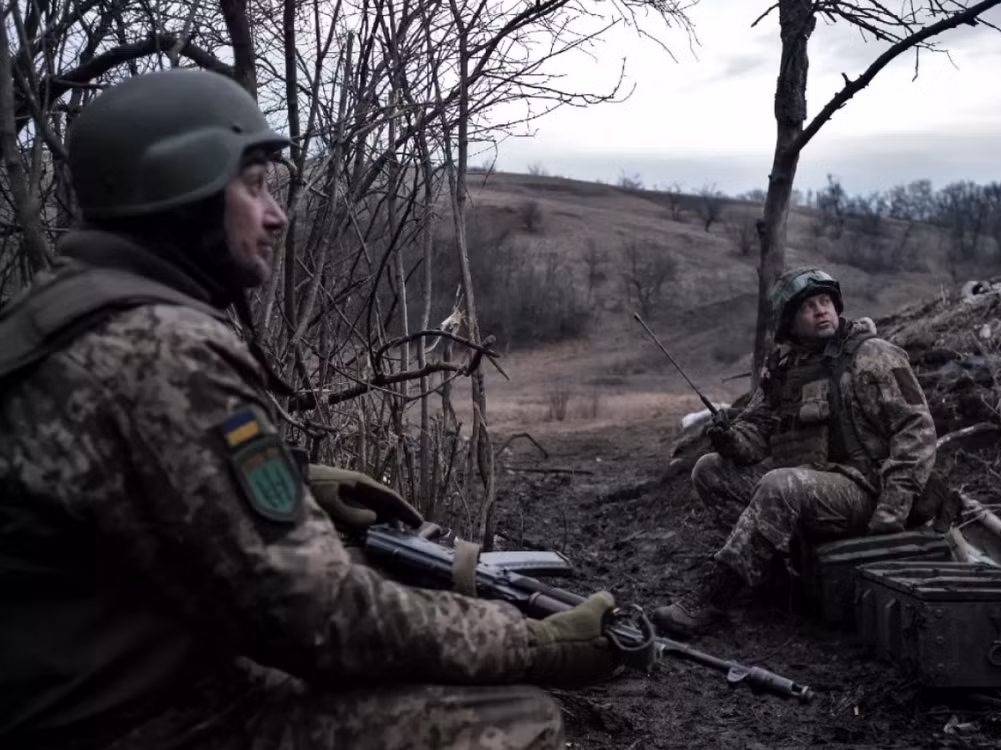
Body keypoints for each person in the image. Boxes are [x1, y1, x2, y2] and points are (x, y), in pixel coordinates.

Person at [0, 68, 625, 750]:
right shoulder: (164, 347)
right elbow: (322, 618)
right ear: (182, 188)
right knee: (511, 718)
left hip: (75, 686)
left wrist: (299, 484)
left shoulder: (52, 310)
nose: (277, 215)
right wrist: (533, 642)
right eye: (255, 184)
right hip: (126, 720)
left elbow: (134, 492)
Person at [651, 268, 937, 638]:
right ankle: (775, 585)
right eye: (808, 307)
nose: (821, 311)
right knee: (709, 470)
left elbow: (916, 429)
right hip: (805, 482)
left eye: (825, 302)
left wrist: (893, 506)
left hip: (864, 488)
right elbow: (757, 434)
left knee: (781, 484)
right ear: (790, 321)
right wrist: (729, 438)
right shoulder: (784, 369)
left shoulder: (872, 356)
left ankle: (715, 597)